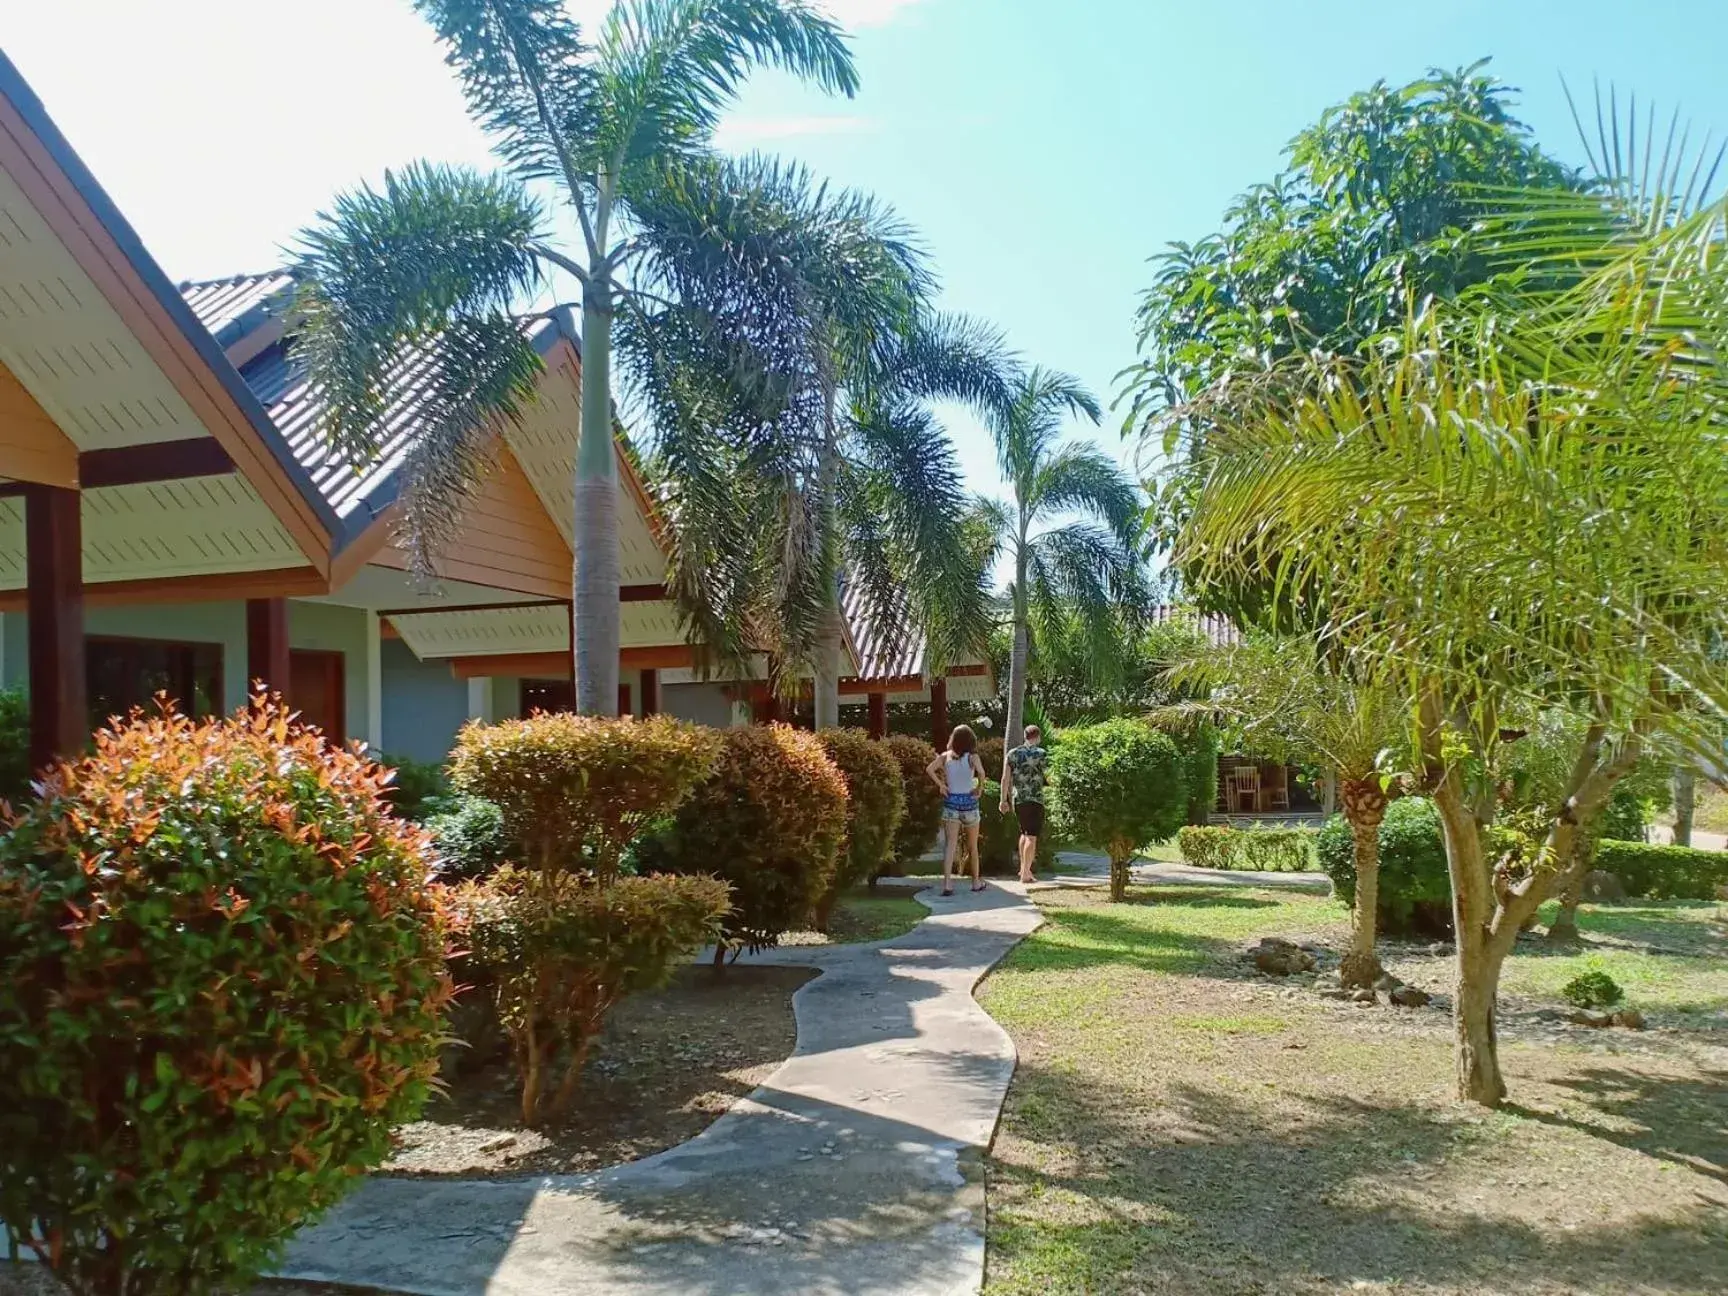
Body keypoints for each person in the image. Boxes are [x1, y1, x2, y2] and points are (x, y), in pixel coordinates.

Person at [926, 724, 987, 896]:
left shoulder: (946, 757)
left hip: (951, 802)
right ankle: (975, 882)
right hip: (969, 803)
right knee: (973, 846)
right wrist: (979, 788)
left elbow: (929, 769)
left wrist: (941, 785)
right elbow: (981, 773)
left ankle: (947, 884)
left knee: (950, 845)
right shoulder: (972, 757)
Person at [1000, 723, 1049, 884]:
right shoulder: (1041, 754)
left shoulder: (1013, 754)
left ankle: (1022, 868)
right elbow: (1049, 776)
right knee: (1032, 837)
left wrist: (1003, 800)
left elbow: (1005, 778)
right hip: (1035, 799)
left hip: (1019, 799)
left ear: (1025, 736)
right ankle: (1026, 873)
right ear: (1038, 737)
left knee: (1024, 833)